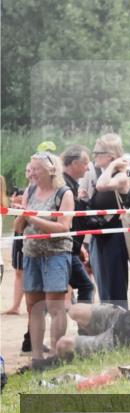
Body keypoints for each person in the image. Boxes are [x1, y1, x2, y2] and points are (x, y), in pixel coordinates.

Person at [16, 151, 74, 369]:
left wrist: (32, 217)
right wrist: (21, 216)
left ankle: (57, 356)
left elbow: (63, 227)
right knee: (33, 306)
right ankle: (38, 358)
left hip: (56, 254)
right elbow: (20, 228)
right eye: (31, 168)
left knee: (55, 306)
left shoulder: (64, 193)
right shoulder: (29, 191)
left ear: (50, 170)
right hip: (31, 253)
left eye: (36, 169)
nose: (31, 173)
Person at [91, 134, 130, 308]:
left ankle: (122, 330)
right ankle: (109, 328)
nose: (94, 156)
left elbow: (102, 186)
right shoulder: (102, 173)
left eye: (98, 152)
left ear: (111, 155)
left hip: (116, 235)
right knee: (103, 285)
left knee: (115, 285)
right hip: (100, 236)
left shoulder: (120, 176)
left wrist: (114, 164)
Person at [60, 145, 95, 303]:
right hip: (63, 248)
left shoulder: (69, 184)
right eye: (85, 163)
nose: (88, 168)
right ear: (74, 163)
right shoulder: (63, 186)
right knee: (86, 286)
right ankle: (85, 327)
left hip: (69, 246)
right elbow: (66, 222)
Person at [4, 165, 31, 315]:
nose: (29, 172)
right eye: (27, 170)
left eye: (31, 169)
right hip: (20, 234)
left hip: (33, 234)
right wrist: (15, 206)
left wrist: (22, 208)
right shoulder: (22, 191)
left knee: (30, 271)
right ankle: (16, 306)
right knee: (19, 271)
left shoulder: (46, 192)